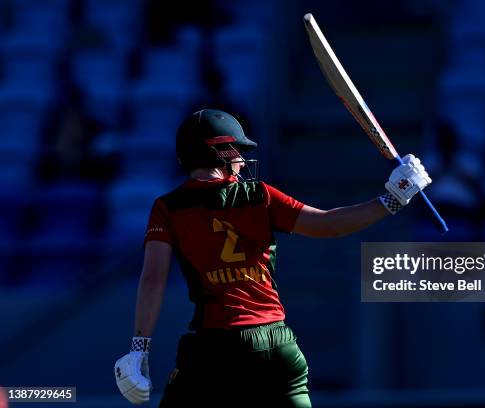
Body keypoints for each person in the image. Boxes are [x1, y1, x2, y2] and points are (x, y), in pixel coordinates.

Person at [114, 109, 432, 407]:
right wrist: (393, 198)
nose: (241, 160)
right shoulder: (260, 195)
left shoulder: (168, 208)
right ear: (221, 152)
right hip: (279, 346)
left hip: (216, 347)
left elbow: (154, 278)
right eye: (237, 152)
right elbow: (329, 224)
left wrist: (139, 347)